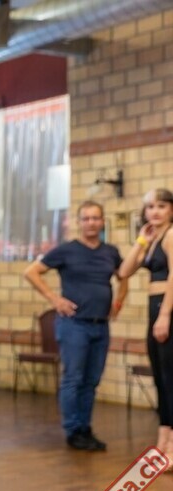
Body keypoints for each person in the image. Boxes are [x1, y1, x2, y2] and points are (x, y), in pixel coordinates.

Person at [25, 200, 127, 453]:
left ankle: (85, 428)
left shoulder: (110, 252)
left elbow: (124, 276)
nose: (91, 223)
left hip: (100, 326)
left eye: (96, 218)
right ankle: (73, 430)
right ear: (78, 222)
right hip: (74, 325)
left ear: (102, 222)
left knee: (91, 381)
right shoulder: (66, 250)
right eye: (86, 218)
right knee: (73, 379)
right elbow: (32, 272)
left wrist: (118, 303)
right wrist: (55, 300)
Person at [118, 189, 173, 465]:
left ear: (171, 209)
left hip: (167, 308)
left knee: (170, 377)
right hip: (154, 307)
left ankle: (172, 446)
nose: (155, 211)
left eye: (161, 206)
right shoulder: (152, 240)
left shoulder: (172, 235)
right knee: (160, 377)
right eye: (150, 206)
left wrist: (165, 314)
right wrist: (141, 240)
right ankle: (163, 440)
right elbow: (124, 271)